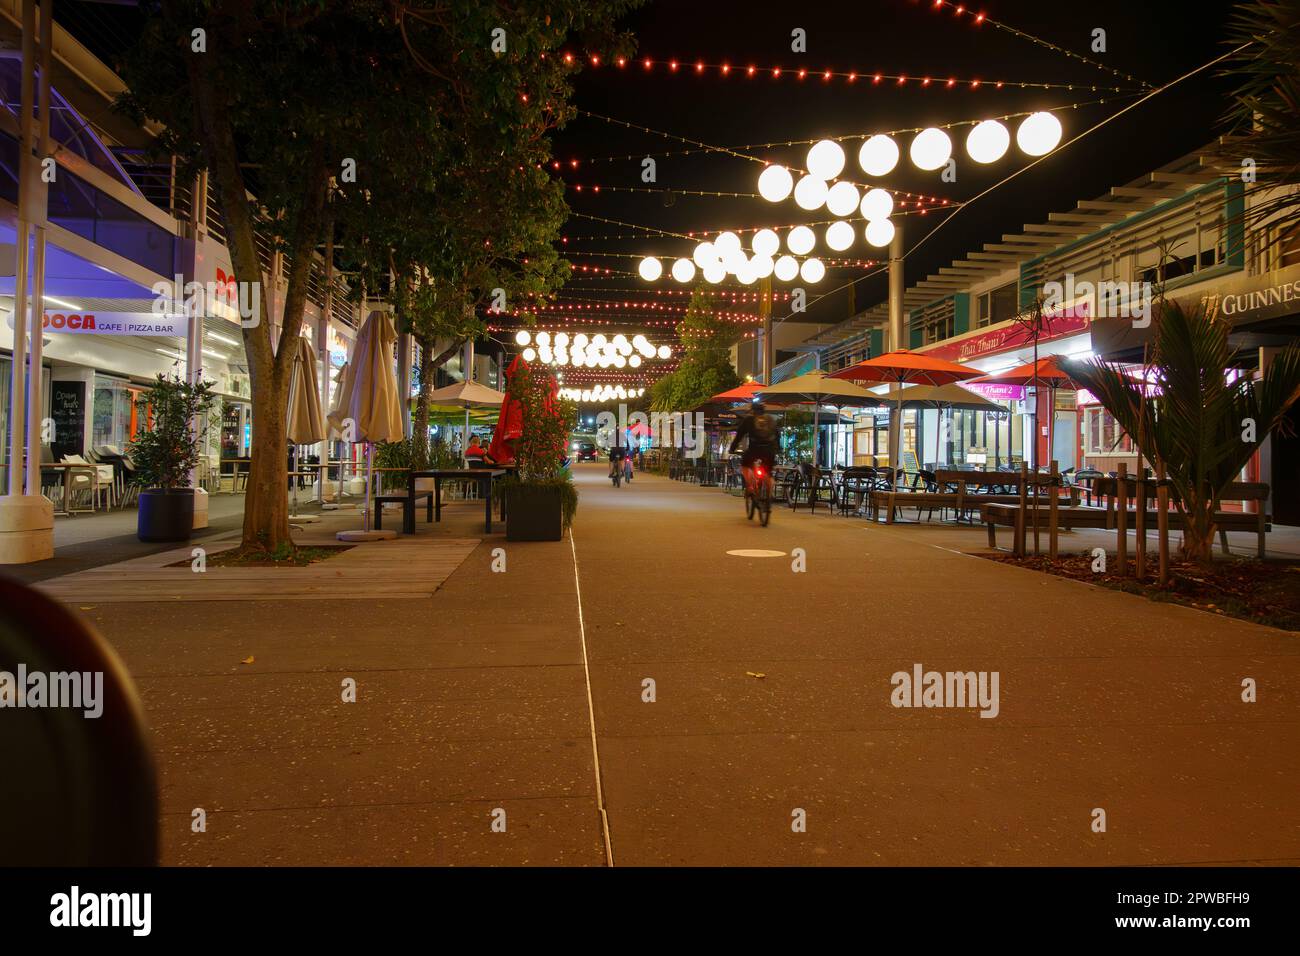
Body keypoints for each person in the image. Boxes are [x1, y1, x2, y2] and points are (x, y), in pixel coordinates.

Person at [728, 400, 779, 500]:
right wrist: (777, 448)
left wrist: (732, 448)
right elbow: (777, 435)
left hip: (754, 449)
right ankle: (769, 494)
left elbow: (739, 436)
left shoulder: (749, 420)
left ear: (752, 411)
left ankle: (750, 487)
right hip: (769, 450)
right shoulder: (770, 420)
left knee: (745, 465)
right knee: (768, 473)